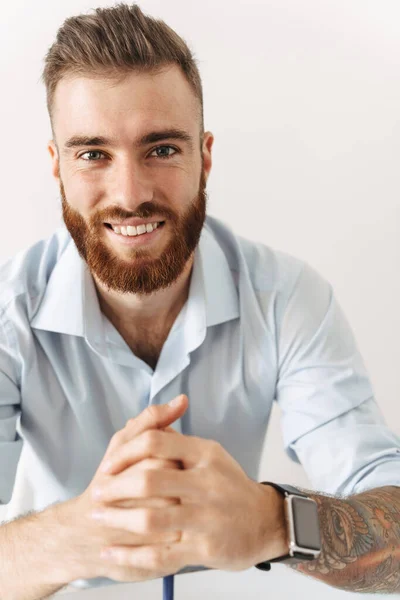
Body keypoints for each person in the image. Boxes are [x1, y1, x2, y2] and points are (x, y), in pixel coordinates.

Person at [0, 3, 399, 598]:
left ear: (205, 156)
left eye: (161, 149)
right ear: (57, 167)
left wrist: (275, 523)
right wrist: (86, 532)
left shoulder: (287, 298)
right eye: (93, 154)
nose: (130, 194)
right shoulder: (8, 312)